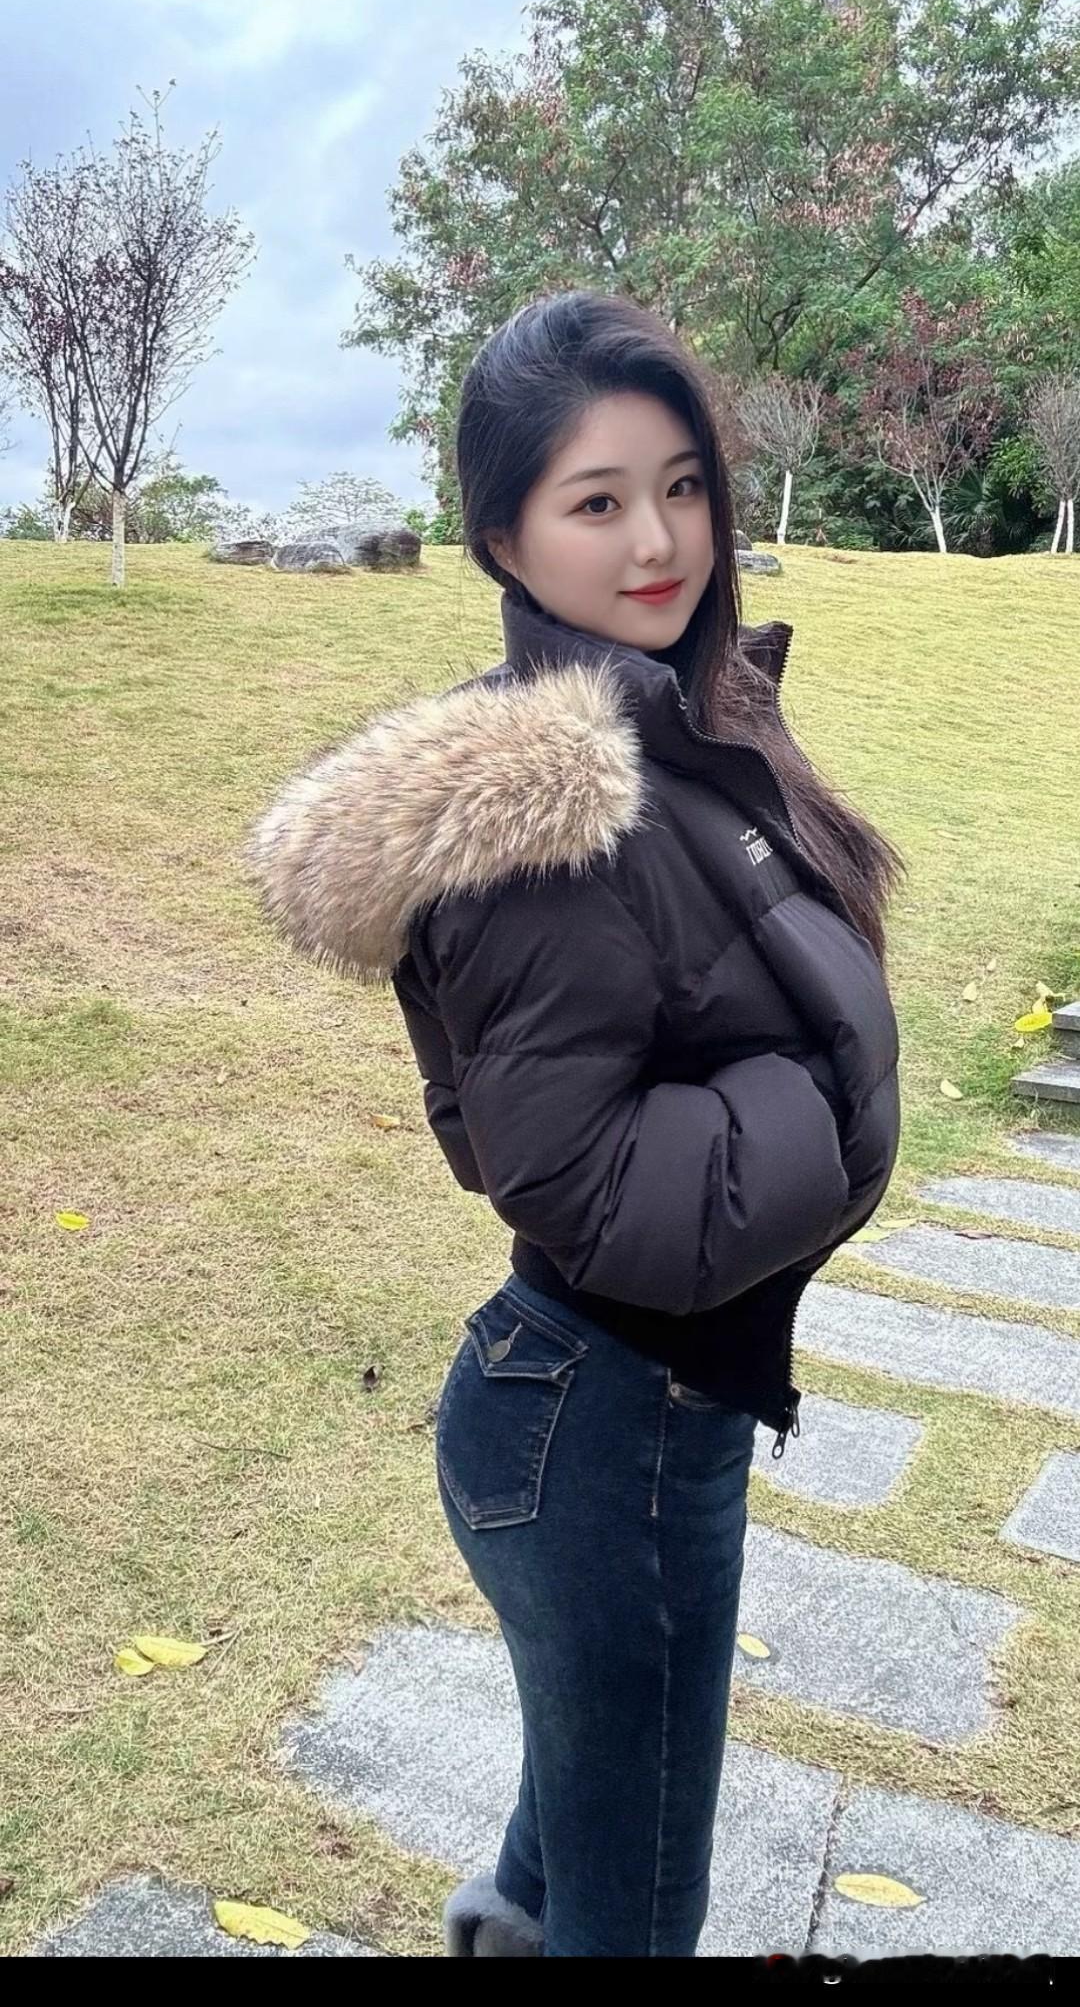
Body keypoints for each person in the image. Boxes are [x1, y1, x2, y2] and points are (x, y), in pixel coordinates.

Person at [247, 292, 905, 1959]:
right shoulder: (549, 810)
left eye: (681, 486)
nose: (659, 540)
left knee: (583, 1826)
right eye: (597, 501)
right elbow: (575, 1179)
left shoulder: (686, 723)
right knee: (637, 1899)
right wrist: (817, 1100)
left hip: (615, 1411)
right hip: (608, 1431)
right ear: (504, 537)